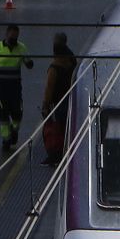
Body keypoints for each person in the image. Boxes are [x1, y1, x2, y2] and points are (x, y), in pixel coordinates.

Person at [0, 24, 34, 152]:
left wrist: (29, 62)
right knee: (3, 116)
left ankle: (14, 130)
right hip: (1, 89)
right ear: (6, 35)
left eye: (16, 37)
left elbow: (29, 65)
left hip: (15, 89)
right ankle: (6, 140)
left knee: (17, 114)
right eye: (12, 37)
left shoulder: (21, 48)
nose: (14, 40)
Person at [40, 33, 79, 165]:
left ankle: (57, 155)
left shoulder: (54, 68)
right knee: (69, 127)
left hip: (58, 103)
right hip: (73, 99)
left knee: (57, 129)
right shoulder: (72, 61)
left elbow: (49, 88)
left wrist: (45, 105)